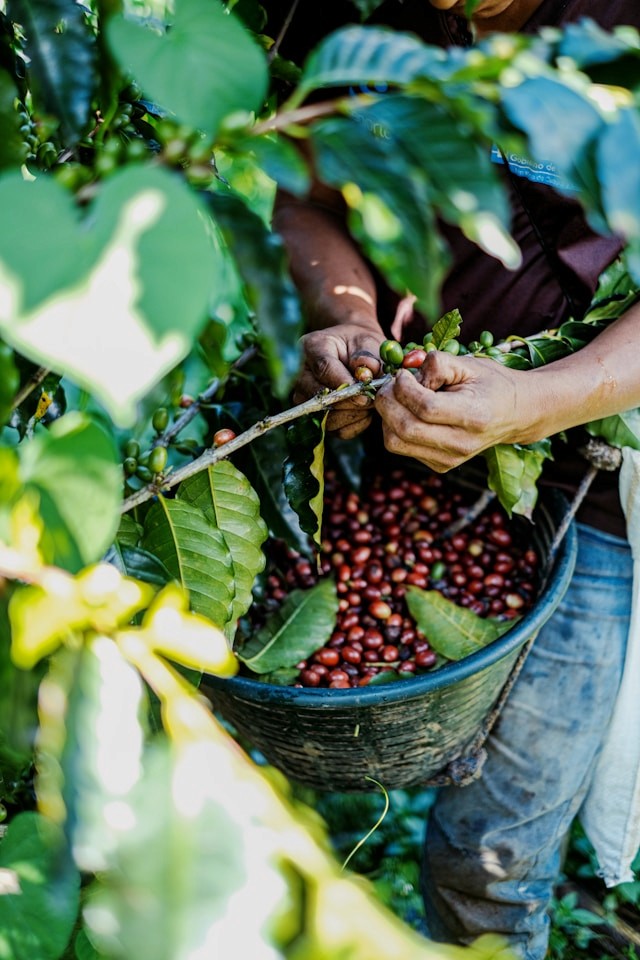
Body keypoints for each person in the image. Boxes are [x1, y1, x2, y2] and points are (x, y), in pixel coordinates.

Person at [269, 1, 640, 958]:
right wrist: (346, 317)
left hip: (598, 483)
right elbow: (304, 189)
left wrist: (537, 404)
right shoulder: (352, 16)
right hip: (411, 437)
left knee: (493, 854)